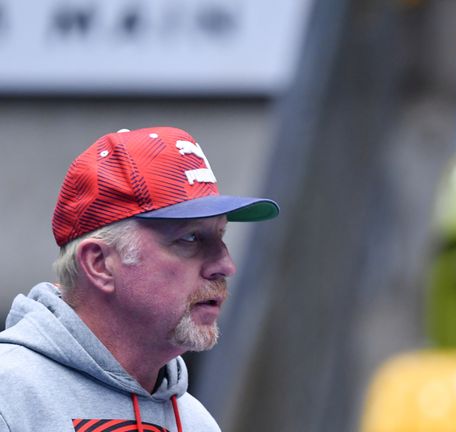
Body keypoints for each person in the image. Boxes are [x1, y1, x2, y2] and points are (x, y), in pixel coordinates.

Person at [0, 126, 279, 431]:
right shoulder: (10, 398)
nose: (225, 264)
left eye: (220, 235)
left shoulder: (196, 421)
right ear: (99, 264)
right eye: (191, 238)